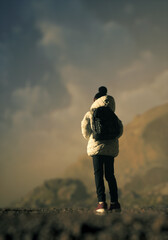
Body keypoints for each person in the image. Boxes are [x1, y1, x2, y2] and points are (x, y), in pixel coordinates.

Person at [81, 86, 123, 213]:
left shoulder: (91, 113)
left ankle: (101, 204)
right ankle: (115, 203)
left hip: (96, 148)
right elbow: (120, 131)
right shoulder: (113, 114)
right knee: (110, 175)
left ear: (95, 100)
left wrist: (92, 137)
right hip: (110, 149)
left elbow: (85, 130)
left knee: (98, 174)